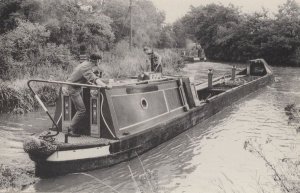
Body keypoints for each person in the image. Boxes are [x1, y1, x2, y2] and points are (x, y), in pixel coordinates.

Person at [63, 53, 107, 137]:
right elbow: (94, 78)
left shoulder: (84, 64)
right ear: (97, 61)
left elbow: (84, 77)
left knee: (80, 109)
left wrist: (91, 83)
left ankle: (71, 128)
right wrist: (105, 86)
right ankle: (70, 129)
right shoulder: (86, 66)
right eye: (100, 61)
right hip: (73, 88)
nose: (100, 62)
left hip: (74, 87)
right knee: (81, 110)